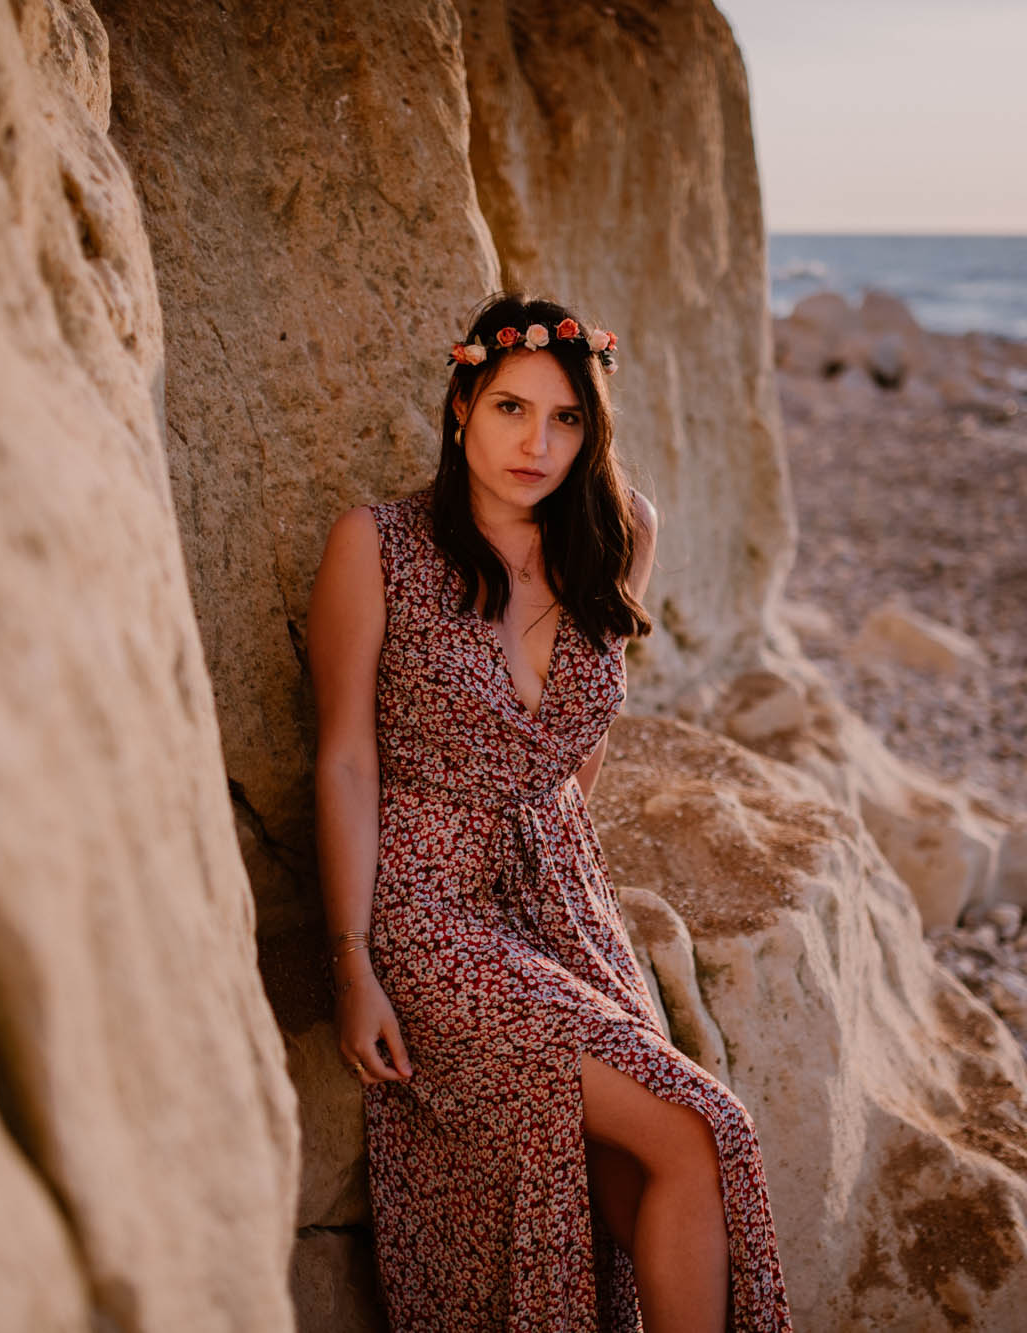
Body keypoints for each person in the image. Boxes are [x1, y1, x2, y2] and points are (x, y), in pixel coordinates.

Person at [305, 292, 795, 1332]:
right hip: (430, 911)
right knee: (702, 1126)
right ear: (459, 411)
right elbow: (344, 760)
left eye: (565, 418)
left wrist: (547, 853)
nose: (536, 441)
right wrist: (354, 964)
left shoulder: (617, 537)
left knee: (640, 1180)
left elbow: (582, 740)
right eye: (509, 409)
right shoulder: (377, 545)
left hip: (565, 905)